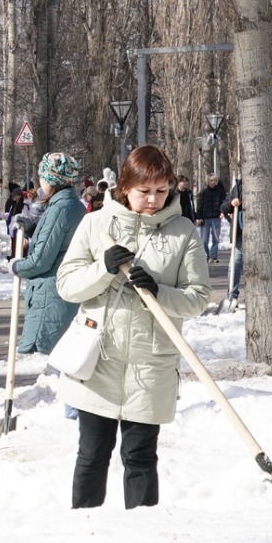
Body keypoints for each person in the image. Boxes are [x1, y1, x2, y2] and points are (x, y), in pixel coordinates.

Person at [55, 145, 210, 509]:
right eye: (144, 191)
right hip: (98, 360)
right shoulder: (95, 225)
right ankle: (85, 534)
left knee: (140, 458)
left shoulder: (182, 232)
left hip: (150, 362)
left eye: (161, 190)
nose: (153, 200)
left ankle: (143, 540)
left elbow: (199, 297)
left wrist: (158, 291)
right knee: (92, 456)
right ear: (125, 187)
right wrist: (103, 268)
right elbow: (67, 285)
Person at [12, 153, 82, 365]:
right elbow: (57, 240)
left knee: (55, 366)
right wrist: (33, 229)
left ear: (50, 179)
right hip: (58, 294)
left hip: (51, 299)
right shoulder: (70, 205)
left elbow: (41, 261)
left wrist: (16, 267)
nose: (39, 183)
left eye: (42, 176)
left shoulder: (60, 209)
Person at [196, 174, 226, 262]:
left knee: (216, 238)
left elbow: (223, 202)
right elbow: (199, 206)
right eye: (211, 181)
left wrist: (222, 212)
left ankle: (214, 256)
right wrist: (199, 217)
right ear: (207, 181)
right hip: (205, 218)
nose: (212, 182)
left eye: (214, 181)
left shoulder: (219, 191)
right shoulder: (203, 192)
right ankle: (205, 255)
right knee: (204, 239)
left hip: (216, 217)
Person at [221, 180, 244, 299]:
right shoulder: (238, 188)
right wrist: (231, 203)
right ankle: (232, 294)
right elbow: (223, 207)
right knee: (234, 264)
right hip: (240, 235)